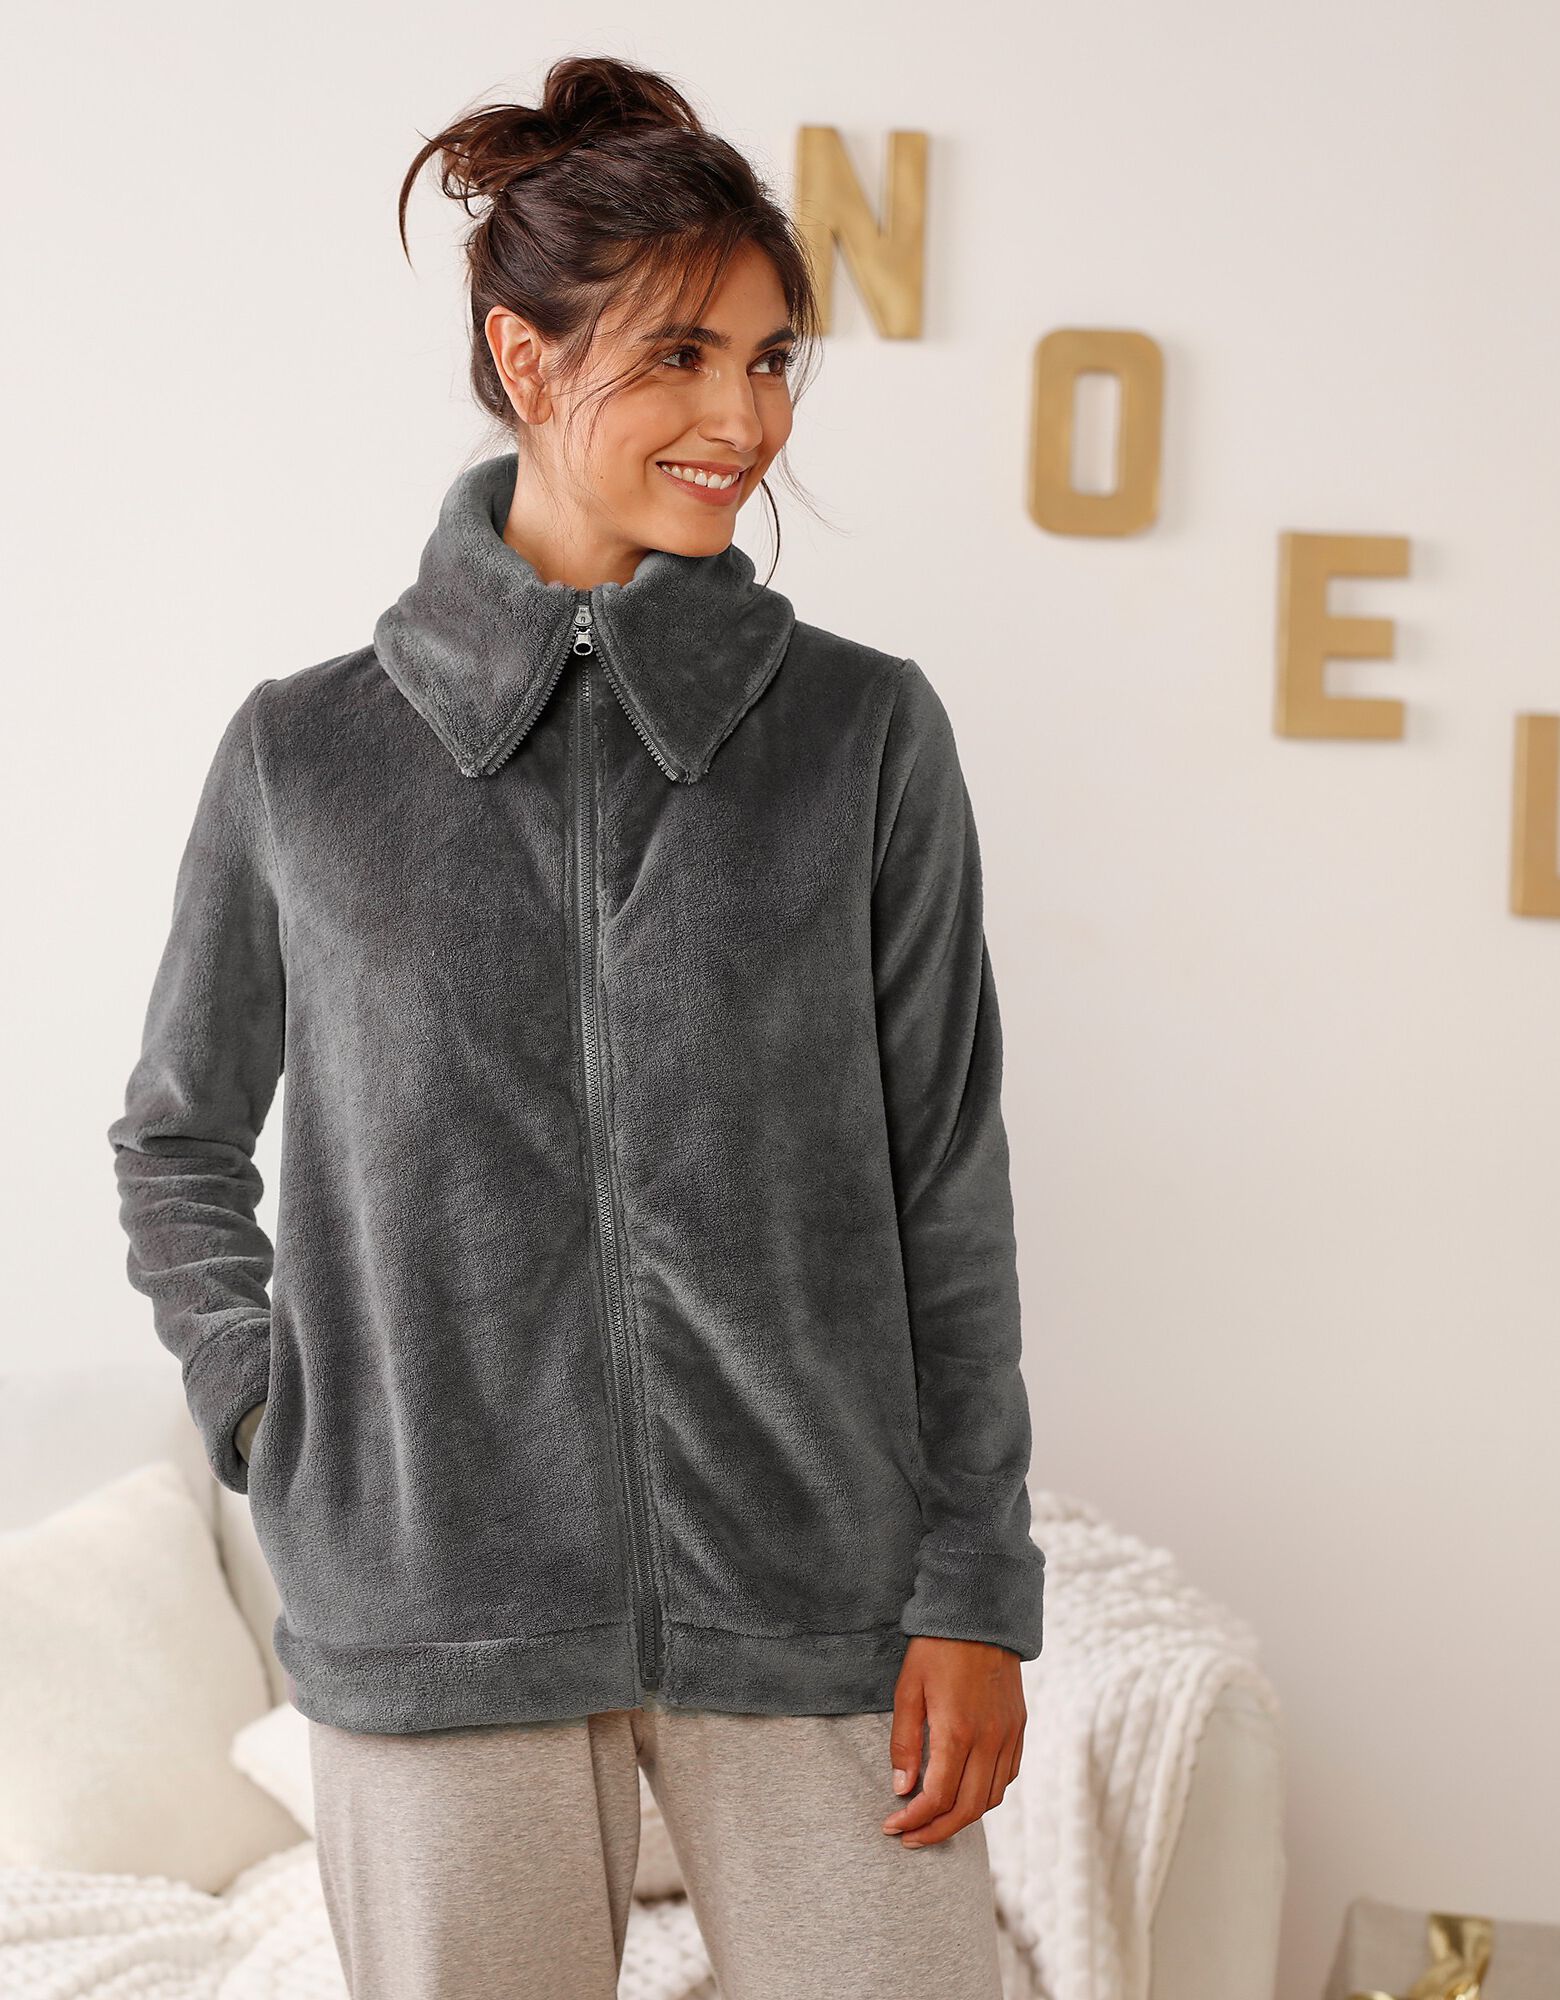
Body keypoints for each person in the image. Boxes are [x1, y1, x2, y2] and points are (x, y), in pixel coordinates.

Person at [107, 52, 1046, 2000]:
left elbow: (944, 1179)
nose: (744, 418)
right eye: (683, 356)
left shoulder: (864, 738)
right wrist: (274, 1418)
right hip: (433, 1601)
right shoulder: (307, 757)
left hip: (821, 1597)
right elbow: (177, 1135)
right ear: (524, 361)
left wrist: (974, 1579)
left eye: (772, 361)